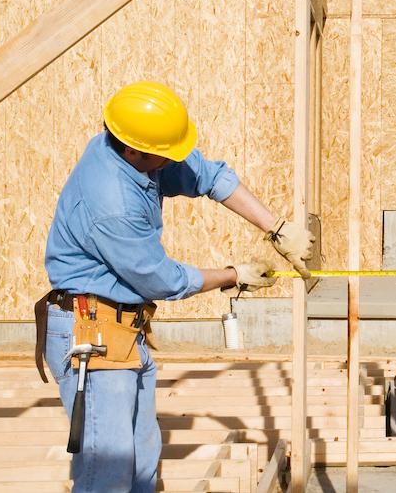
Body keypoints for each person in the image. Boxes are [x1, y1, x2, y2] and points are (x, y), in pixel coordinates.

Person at [36, 81, 314, 492]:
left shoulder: (132, 152)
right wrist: (232, 275)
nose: (171, 163)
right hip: (91, 332)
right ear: (135, 150)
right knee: (108, 475)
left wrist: (276, 228)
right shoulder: (111, 200)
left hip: (124, 331)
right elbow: (160, 279)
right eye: (164, 156)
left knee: (143, 461)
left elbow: (207, 175)